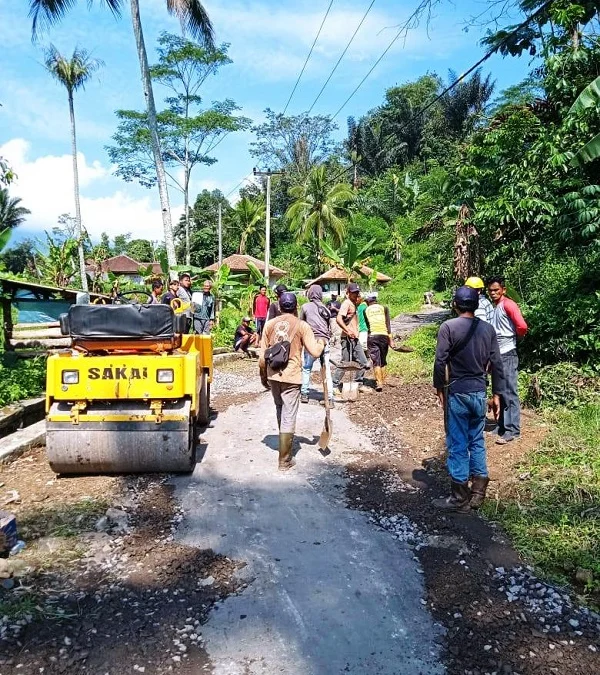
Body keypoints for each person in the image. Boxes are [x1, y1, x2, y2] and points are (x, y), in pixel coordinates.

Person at [432, 286, 505, 513]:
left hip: (457, 391)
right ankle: (479, 492)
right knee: (477, 440)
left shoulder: (448, 327)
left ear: (455, 304)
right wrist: (496, 394)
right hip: (479, 392)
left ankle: (459, 496)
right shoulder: (488, 329)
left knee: (457, 443)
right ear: (475, 305)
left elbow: (440, 362)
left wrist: (439, 389)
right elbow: (497, 365)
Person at [259, 292, 326, 471]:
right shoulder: (302, 326)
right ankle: (285, 459)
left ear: (279, 307)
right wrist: (321, 343)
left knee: (280, 408)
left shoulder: (269, 325)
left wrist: (263, 376)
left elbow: (261, 357)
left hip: (273, 375)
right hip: (292, 376)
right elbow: (315, 351)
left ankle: (284, 445)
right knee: (289, 413)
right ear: (296, 307)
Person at [487, 276, 528, 445]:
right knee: (499, 390)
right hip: (497, 354)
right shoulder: (495, 307)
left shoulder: (509, 305)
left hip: (507, 352)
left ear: (503, 290)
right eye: (491, 290)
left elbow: (522, 326)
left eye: (496, 290)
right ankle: (502, 426)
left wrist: (514, 339)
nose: (493, 293)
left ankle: (513, 430)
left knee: (510, 391)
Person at [332, 283, 369, 396]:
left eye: (357, 292)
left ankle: (359, 382)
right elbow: (339, 319)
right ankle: (334, 385)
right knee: (345, 363)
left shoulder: (354, 304)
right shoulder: (346, 303)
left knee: (363, 362)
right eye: (353, 292)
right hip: (347, 338)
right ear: (348, 293)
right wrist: (348, 331)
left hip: (355, 338)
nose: (356, 294)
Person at [299, 284, 334, 407]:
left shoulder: (305, 307)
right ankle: (330, 398)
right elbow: (329, 328)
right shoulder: (326, 308)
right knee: (327, 370)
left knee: (307, 368)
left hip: (311, 342)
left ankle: (304, 393)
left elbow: (301, 324)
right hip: (324, 341)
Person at [364, 292, 393, 392]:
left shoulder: (365, 310)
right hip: (384, 335)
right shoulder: (384, 308)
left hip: (372, 336)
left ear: (368, 301)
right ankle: (382, 381)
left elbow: (368, 326)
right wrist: (391, 340)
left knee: (376, 361)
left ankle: (379, 383)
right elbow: (388, 325)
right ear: (376, 300)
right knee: (383, 360)